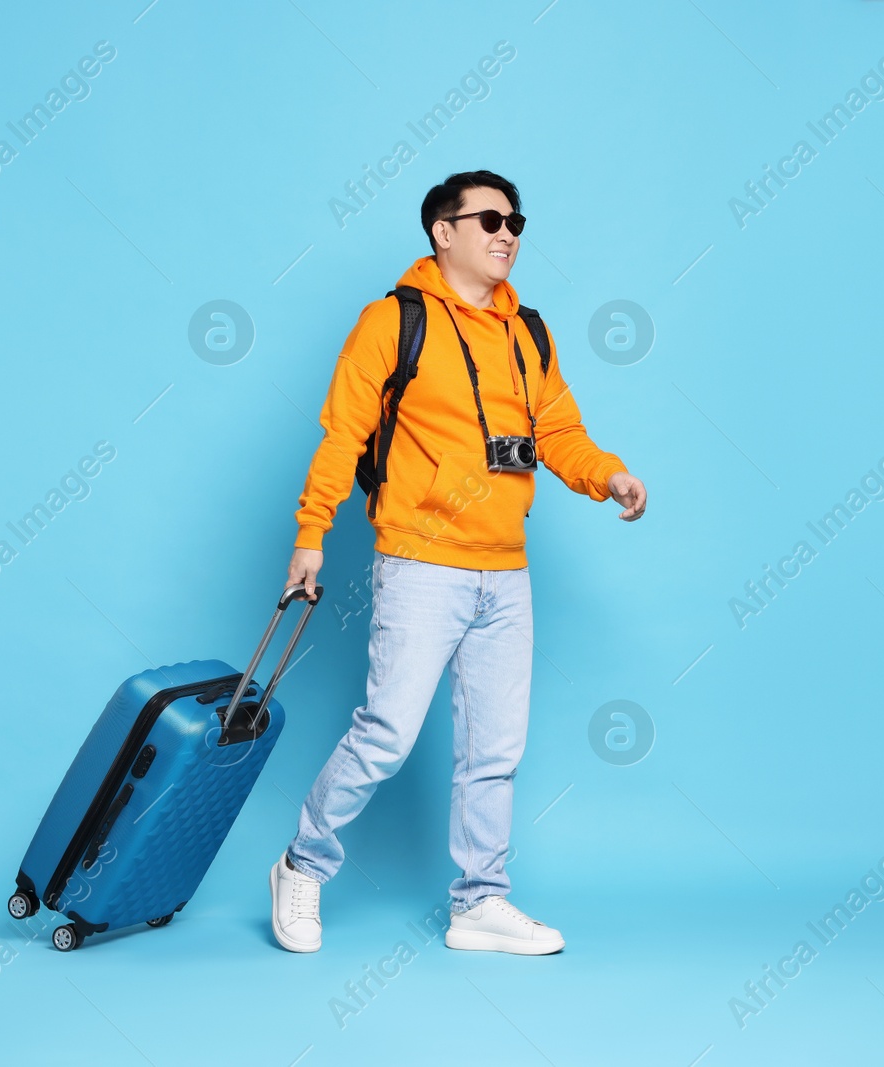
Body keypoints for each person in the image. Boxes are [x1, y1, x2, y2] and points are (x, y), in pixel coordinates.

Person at [269, 170, 647, 955]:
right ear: (443, 232)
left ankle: (479, 902)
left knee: (494, 752)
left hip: (506, 572)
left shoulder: (528, 332)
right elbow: (342, 433)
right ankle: (301, 864)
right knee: (386, 734)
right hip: (421, 564)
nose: (508, 233)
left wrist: (605, 472)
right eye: (490, 219)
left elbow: (559, 433)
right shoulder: (391, 322)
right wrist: (312, 534)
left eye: (516, 221)